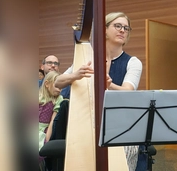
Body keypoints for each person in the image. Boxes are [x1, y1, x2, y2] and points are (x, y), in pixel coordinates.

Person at [54, 12, 144, 171]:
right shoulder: (87, 58)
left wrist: (108, 85)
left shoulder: (133, 62)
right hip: (88, 122)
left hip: (121, 127)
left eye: (126, 28)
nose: (122, 30)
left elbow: (127, 92)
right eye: (117, 26)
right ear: (104, 30)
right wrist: (75, 75)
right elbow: (57, 82)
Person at [39, 71, 64, 168]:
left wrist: (46, 141)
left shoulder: (59, 99)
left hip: (43, 132)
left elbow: (52, 121)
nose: (59, 90)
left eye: (61, 88)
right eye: (57, 86)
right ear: (47, 84)